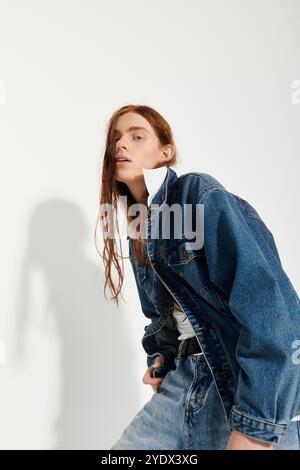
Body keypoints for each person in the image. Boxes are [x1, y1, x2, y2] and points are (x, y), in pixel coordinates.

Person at [96, 104, 300, 450]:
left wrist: (256, 427)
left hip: (240, 385)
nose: (121, 145)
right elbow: (164, 316)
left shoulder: (196, 193)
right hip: (182, 385)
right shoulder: (138, 228)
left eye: (136, 135)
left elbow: (271, 310)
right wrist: (162, 357)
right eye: (115, 138)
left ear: (166, 152)